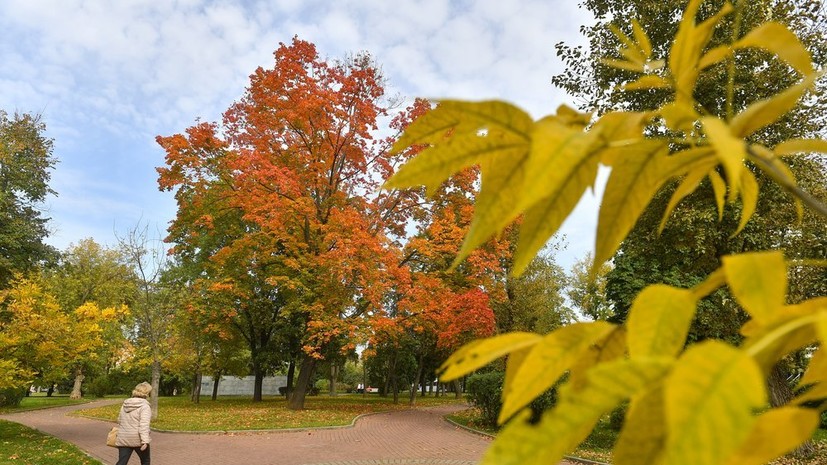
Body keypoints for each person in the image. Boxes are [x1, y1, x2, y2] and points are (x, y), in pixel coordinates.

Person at [115, 382, 152, 465]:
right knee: (145, 461)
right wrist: (145, 441)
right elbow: (144, 425)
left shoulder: (125, 404)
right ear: (147, 393)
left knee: (122, 462)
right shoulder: (145, 406)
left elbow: (119, 420)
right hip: (138, 439)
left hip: (124, 437)